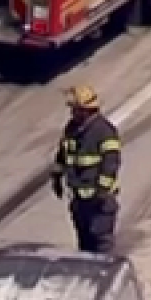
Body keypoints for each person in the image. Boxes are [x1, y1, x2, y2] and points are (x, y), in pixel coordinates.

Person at [50, 84, 123, 254]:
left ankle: (100, 278)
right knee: (84, 244)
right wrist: (56, 177)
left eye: (75, 109)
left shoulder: (104, 131)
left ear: (86, 110)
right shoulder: (72, 128)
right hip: (79, 200)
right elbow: (63, 154)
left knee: (101, 245)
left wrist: (102, 192)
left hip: (99, 203)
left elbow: (111, 163)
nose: (72, 113)